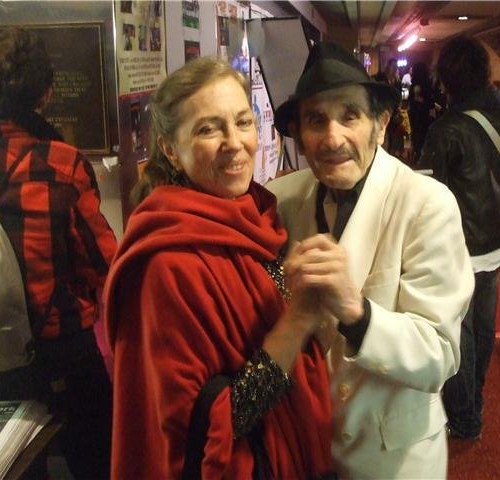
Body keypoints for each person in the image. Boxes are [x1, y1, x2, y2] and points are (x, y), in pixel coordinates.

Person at [103, 57, 333, 479]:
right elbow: (211, 427)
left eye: (243, 122)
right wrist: (298, 319)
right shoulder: (166, 263)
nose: (235, 142)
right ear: (171, 148)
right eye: (208, 129)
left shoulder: (255, 215)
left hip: (293, 447)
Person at [268, 41, 474, 479]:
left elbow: (440, 355)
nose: (333, 138)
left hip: (392, 457)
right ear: (300, 136)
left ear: (380, 124)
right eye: (315, 120)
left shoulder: (427, 205)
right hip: (305, 451)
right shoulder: (281, 201)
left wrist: (358, 314)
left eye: (350, 115)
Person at [0, 28, 117, 479]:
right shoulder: (60, 163)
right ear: (45, 91)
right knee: (94, 456)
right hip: (59, 351)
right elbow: (103, 262)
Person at [418, 36, 500, 440]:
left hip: (458, 247)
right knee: (484, 323)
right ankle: (476, 397)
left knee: (458, 332)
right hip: (498, 236)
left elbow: (428, 194)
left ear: (447, 80)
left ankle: (465, 415)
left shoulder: (445, 129)